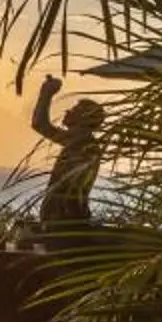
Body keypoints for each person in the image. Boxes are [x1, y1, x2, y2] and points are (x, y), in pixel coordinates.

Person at [30, 74, 105, 241]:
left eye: (74, 110)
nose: (67, 111)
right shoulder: (84, 142)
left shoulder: (82, 142)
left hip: (65, 223)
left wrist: (46, 93)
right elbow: (38, 124)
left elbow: (39, 124)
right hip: (66, 221)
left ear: (84, 118)